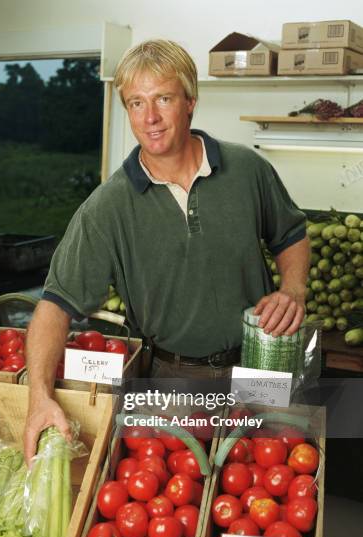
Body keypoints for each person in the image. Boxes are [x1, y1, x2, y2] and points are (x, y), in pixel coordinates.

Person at [23, 39, 310, 463]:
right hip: (171, 378)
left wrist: (294, 288)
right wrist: (39, 396)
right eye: (136, 103)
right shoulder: (108, 206)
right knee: (182, 496)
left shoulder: (247, 170)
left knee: (263, 482)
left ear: (190, 101)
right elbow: (54, 305)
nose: (150, 118)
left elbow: (291, 236)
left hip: (259, 367)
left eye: (163, 99)